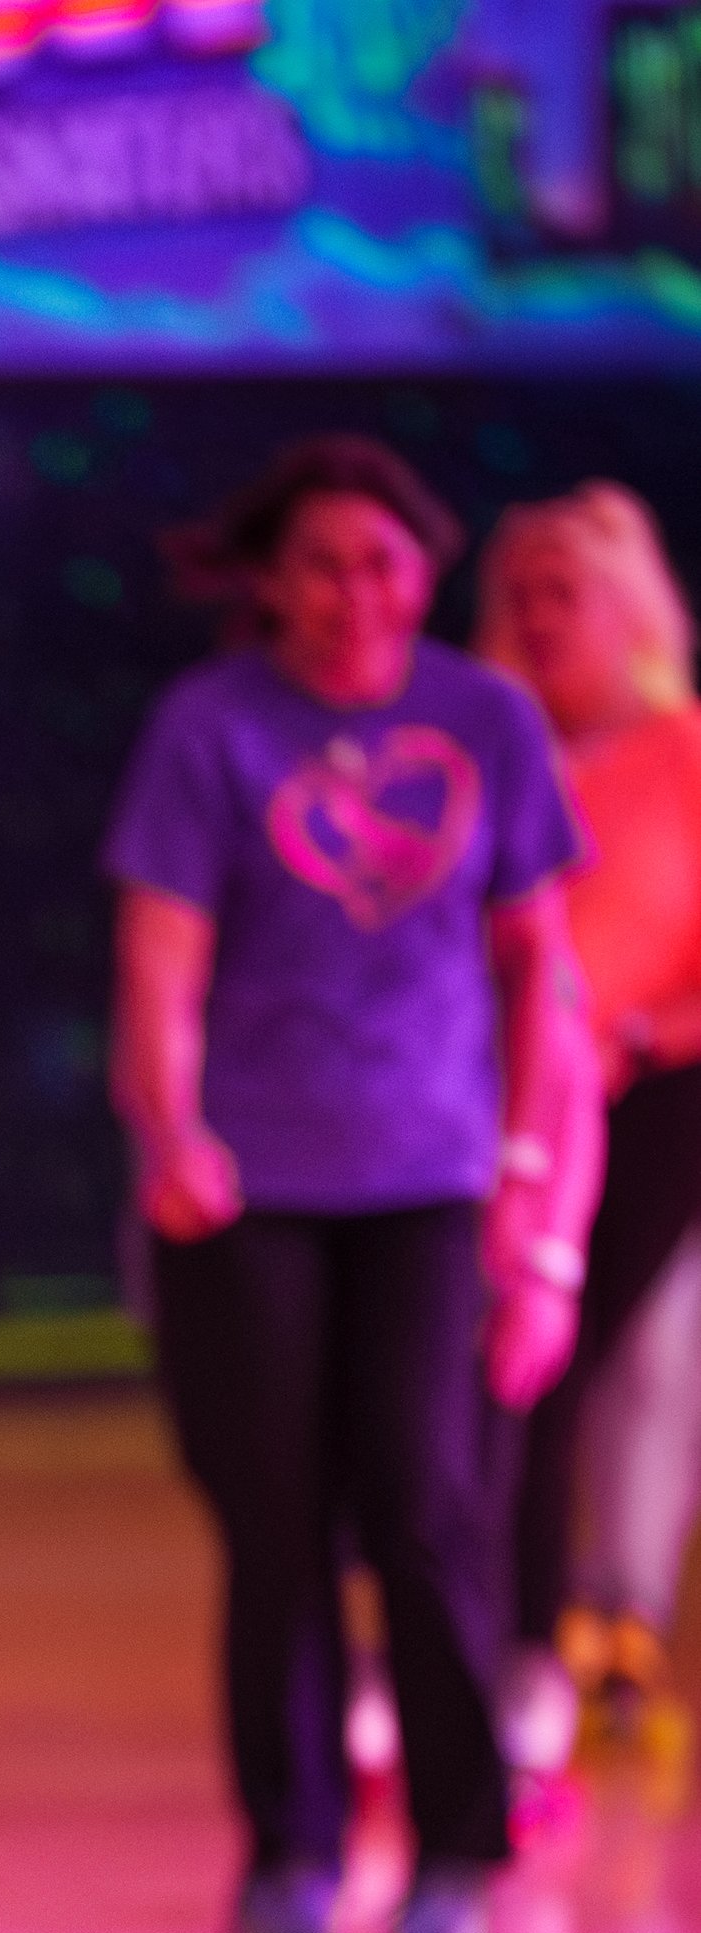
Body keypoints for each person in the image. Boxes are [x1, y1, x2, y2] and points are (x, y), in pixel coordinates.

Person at [104, 435, 600, 1933]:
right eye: (320, 564)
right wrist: (171, 1129)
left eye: (383, 563)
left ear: (422, 573)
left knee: (432, 1512)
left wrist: (532, 1182)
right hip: (252, 1194)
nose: (355, 595)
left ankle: (457, 1862)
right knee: (278, 1531)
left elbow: (538, 967)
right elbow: (163, 967)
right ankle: (297, 1864)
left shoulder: (485, 721)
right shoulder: (215, 729)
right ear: (270, 581)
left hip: (433, 1184)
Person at [475, 484, 701, 1765]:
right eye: (525, 595)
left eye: (568, 592)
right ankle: (514, 1633)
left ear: (628, 610)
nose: (542, 617)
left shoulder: (683, 753)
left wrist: (634, 1037)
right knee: (512, 1360)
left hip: (659, 1095)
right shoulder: (486, 749)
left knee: (631, 1360)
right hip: (515, 1099)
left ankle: (612, 1615)